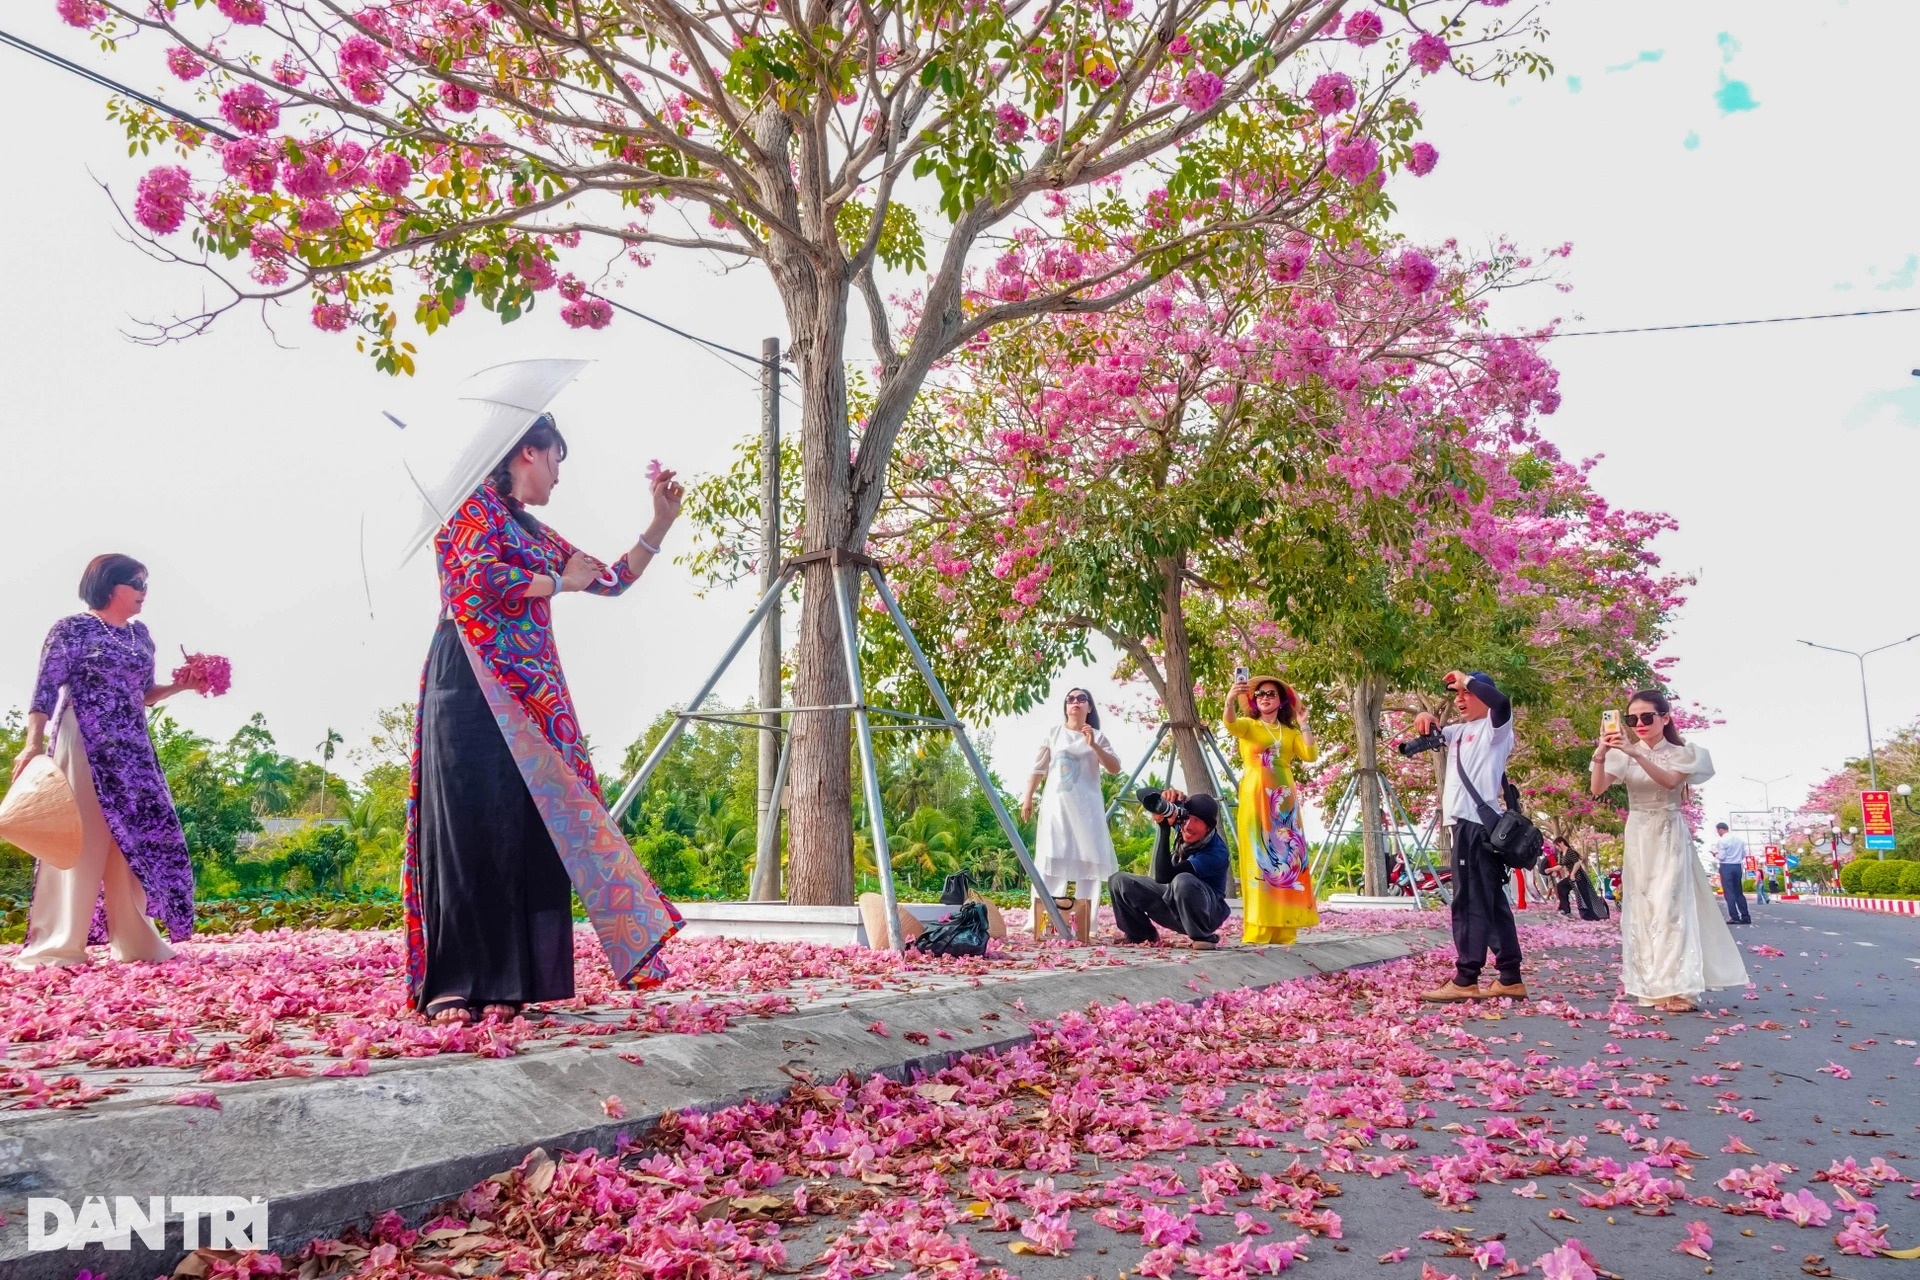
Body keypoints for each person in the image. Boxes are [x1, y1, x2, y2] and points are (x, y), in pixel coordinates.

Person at [405, 414, 685, 1024]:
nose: (560, 475)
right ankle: (457, 983)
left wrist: (659, 523)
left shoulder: (530, 527)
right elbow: (472, 582)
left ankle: (509, 981)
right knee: (469, 828)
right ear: (527, 452)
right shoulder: (468, 507)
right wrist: (556, 582)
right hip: (474, 680)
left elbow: (608, 580)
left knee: (525, 830)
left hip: (533, 697)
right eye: (557, 459)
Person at [9, 555, 206, 968]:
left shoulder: (141, 636)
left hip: (132, 745)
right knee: (83, 835)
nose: (144, 593)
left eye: (146, 584)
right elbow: (44, 690)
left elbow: (145, 693)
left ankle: (135, 941)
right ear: (111, 585)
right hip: (83, 738)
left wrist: (181, 686)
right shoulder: (72, 629)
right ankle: (62, 942)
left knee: (130, 837)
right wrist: (32, 744)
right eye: (137, 584)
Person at [1591, 690, 1746, 1013]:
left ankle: (1681, 989)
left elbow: (1667, 783)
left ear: (1665, 718)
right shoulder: (1623, 752)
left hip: (1668, 831)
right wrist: (1602, 753)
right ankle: (1653, 986)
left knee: (1671, 907)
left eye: (1647, 717)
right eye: (1632, 719)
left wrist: (1636, 753)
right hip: (1638, 835)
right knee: (1644, 909)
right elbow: (1597, 788)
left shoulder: (1682, 753)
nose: (1639, 724)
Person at [1414, 671, 1527, 1002]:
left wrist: (1468, 677)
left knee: (1469, 903)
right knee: (1491, 903)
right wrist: (1424, 716)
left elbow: (1502, 702)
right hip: (1466, 826)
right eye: (1456, 694)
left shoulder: (1496, 729)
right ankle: (1509, 976)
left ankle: (1466, 978)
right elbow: (1432, 730)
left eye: (1467, 693)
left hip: (1474, 825)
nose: (1460, 699)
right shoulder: (1459, 731)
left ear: (1483, 693)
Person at [1224, 674, 1319, 945]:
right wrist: (1230, 699)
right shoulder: (1248, 726)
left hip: (1285, 799)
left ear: (1281, 701)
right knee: (1259, 857)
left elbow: (1310, 755)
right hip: (1256, 798)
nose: (1265, 697)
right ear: (1255, 700)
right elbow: (1229, 723)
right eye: (1261, 694)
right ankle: (1259, 930)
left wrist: (1304, 724)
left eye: (1271, 694)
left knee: (1288, 857)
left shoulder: (1289, 733)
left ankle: (1285, 929)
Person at [1020, 688, 1121, 936]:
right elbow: (1038, 769)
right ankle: (1043, 921)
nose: (1075, 702)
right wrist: (1028, 797)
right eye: (1071, 699)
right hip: (1057, 809)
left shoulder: (1097, 736)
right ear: (1066, 706)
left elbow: (1114, 768)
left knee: (1089, 863)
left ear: (1089, 707)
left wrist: (1094, 746)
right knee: (1052, 858)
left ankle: (1085, 924)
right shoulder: (1054, 734)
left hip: (1088, 810)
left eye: (1081, 699)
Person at [1108, 789, 1232, 949]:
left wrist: (1164, 828)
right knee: (1118, 881)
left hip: (1207, 914)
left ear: (1208, 827)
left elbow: (1164, 876)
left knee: (1183, 880)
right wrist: (1167, 795)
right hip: (1175, 904)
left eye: (1196, 821)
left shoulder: (1216, 853)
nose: (1188, 827)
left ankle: (1203, 938)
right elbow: (1142, 793)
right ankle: (1140, 934)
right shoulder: (1183, 826)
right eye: (1186, 818)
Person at [1710, 822, 1752, 924]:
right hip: (1737, 866)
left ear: (1720, 830)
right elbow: (1743, 854)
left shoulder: (1722, 840)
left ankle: (1734, 917)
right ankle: (1745, 916)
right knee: (1739, 892)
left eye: (1718, 831)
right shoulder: (1739, 840)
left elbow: (1722, 857)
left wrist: (1715, 854)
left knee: (1729, 893)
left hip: (1726, 866)